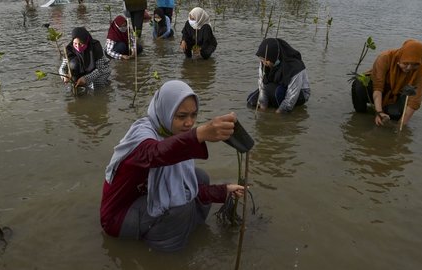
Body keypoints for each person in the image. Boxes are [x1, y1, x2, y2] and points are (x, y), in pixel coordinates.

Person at [100, 80, 245, 252]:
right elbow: (156, 153)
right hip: (118, 217)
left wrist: (223, 190)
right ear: (165, 111)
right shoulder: (142, 136)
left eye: (193, 115)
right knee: (178, 205)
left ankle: (190, 231)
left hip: (144, 198)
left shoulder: (169, 131)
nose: (189, 123)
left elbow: (185, 184)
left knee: (200, 178)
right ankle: (166, 253)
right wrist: (199, 134)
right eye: (181, 116)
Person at [351, 39, 422, 126]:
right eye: (406, 63)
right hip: (377, 90)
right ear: (400, 58)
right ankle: (361, 115)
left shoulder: (421, 69)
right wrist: (379, 112)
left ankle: (389, 112)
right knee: (359, 85)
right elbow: (377, 87)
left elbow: (415, 100)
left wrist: (401, 124)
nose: (409, 68)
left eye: (415, 64)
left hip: (396, 95)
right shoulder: (385, 57)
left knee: (394, 115)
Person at [247, 38, 311, 113]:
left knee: (276, 93)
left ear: (273, 57)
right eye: (261, 59)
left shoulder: (295, 67)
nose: (263, 62)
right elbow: (262, 86)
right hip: (277, 86)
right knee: (252, 100)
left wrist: (278, 115)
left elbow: (291, 97)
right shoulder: (264, 64)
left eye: (266, 60)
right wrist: (263, 109)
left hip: (299, 93)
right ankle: (274, 104)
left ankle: (278, 106)